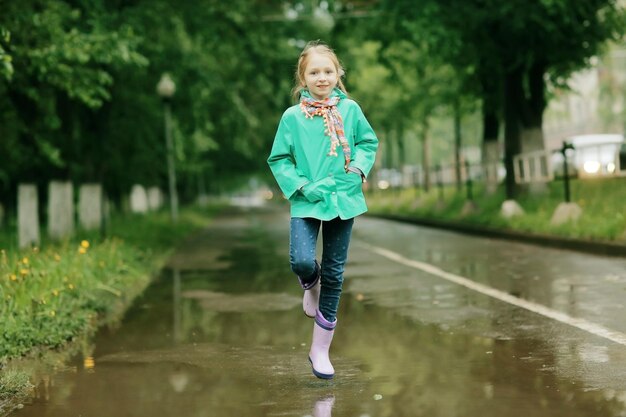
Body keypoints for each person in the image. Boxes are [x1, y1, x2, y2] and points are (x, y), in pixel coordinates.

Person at [267, 41, 378, 379]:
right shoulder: (292, 118)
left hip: (344, 198)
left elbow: (367, 143)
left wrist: (359, 168)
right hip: (306, 198)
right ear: (302, 78)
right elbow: (279, 158)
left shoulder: (351, 110)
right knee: (301, 259)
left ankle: (320, 349)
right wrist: (300, 185)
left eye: (328, 71)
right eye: (314, 72)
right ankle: (309, 283)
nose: (322, 77)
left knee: (335, 272)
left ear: (338, 74)